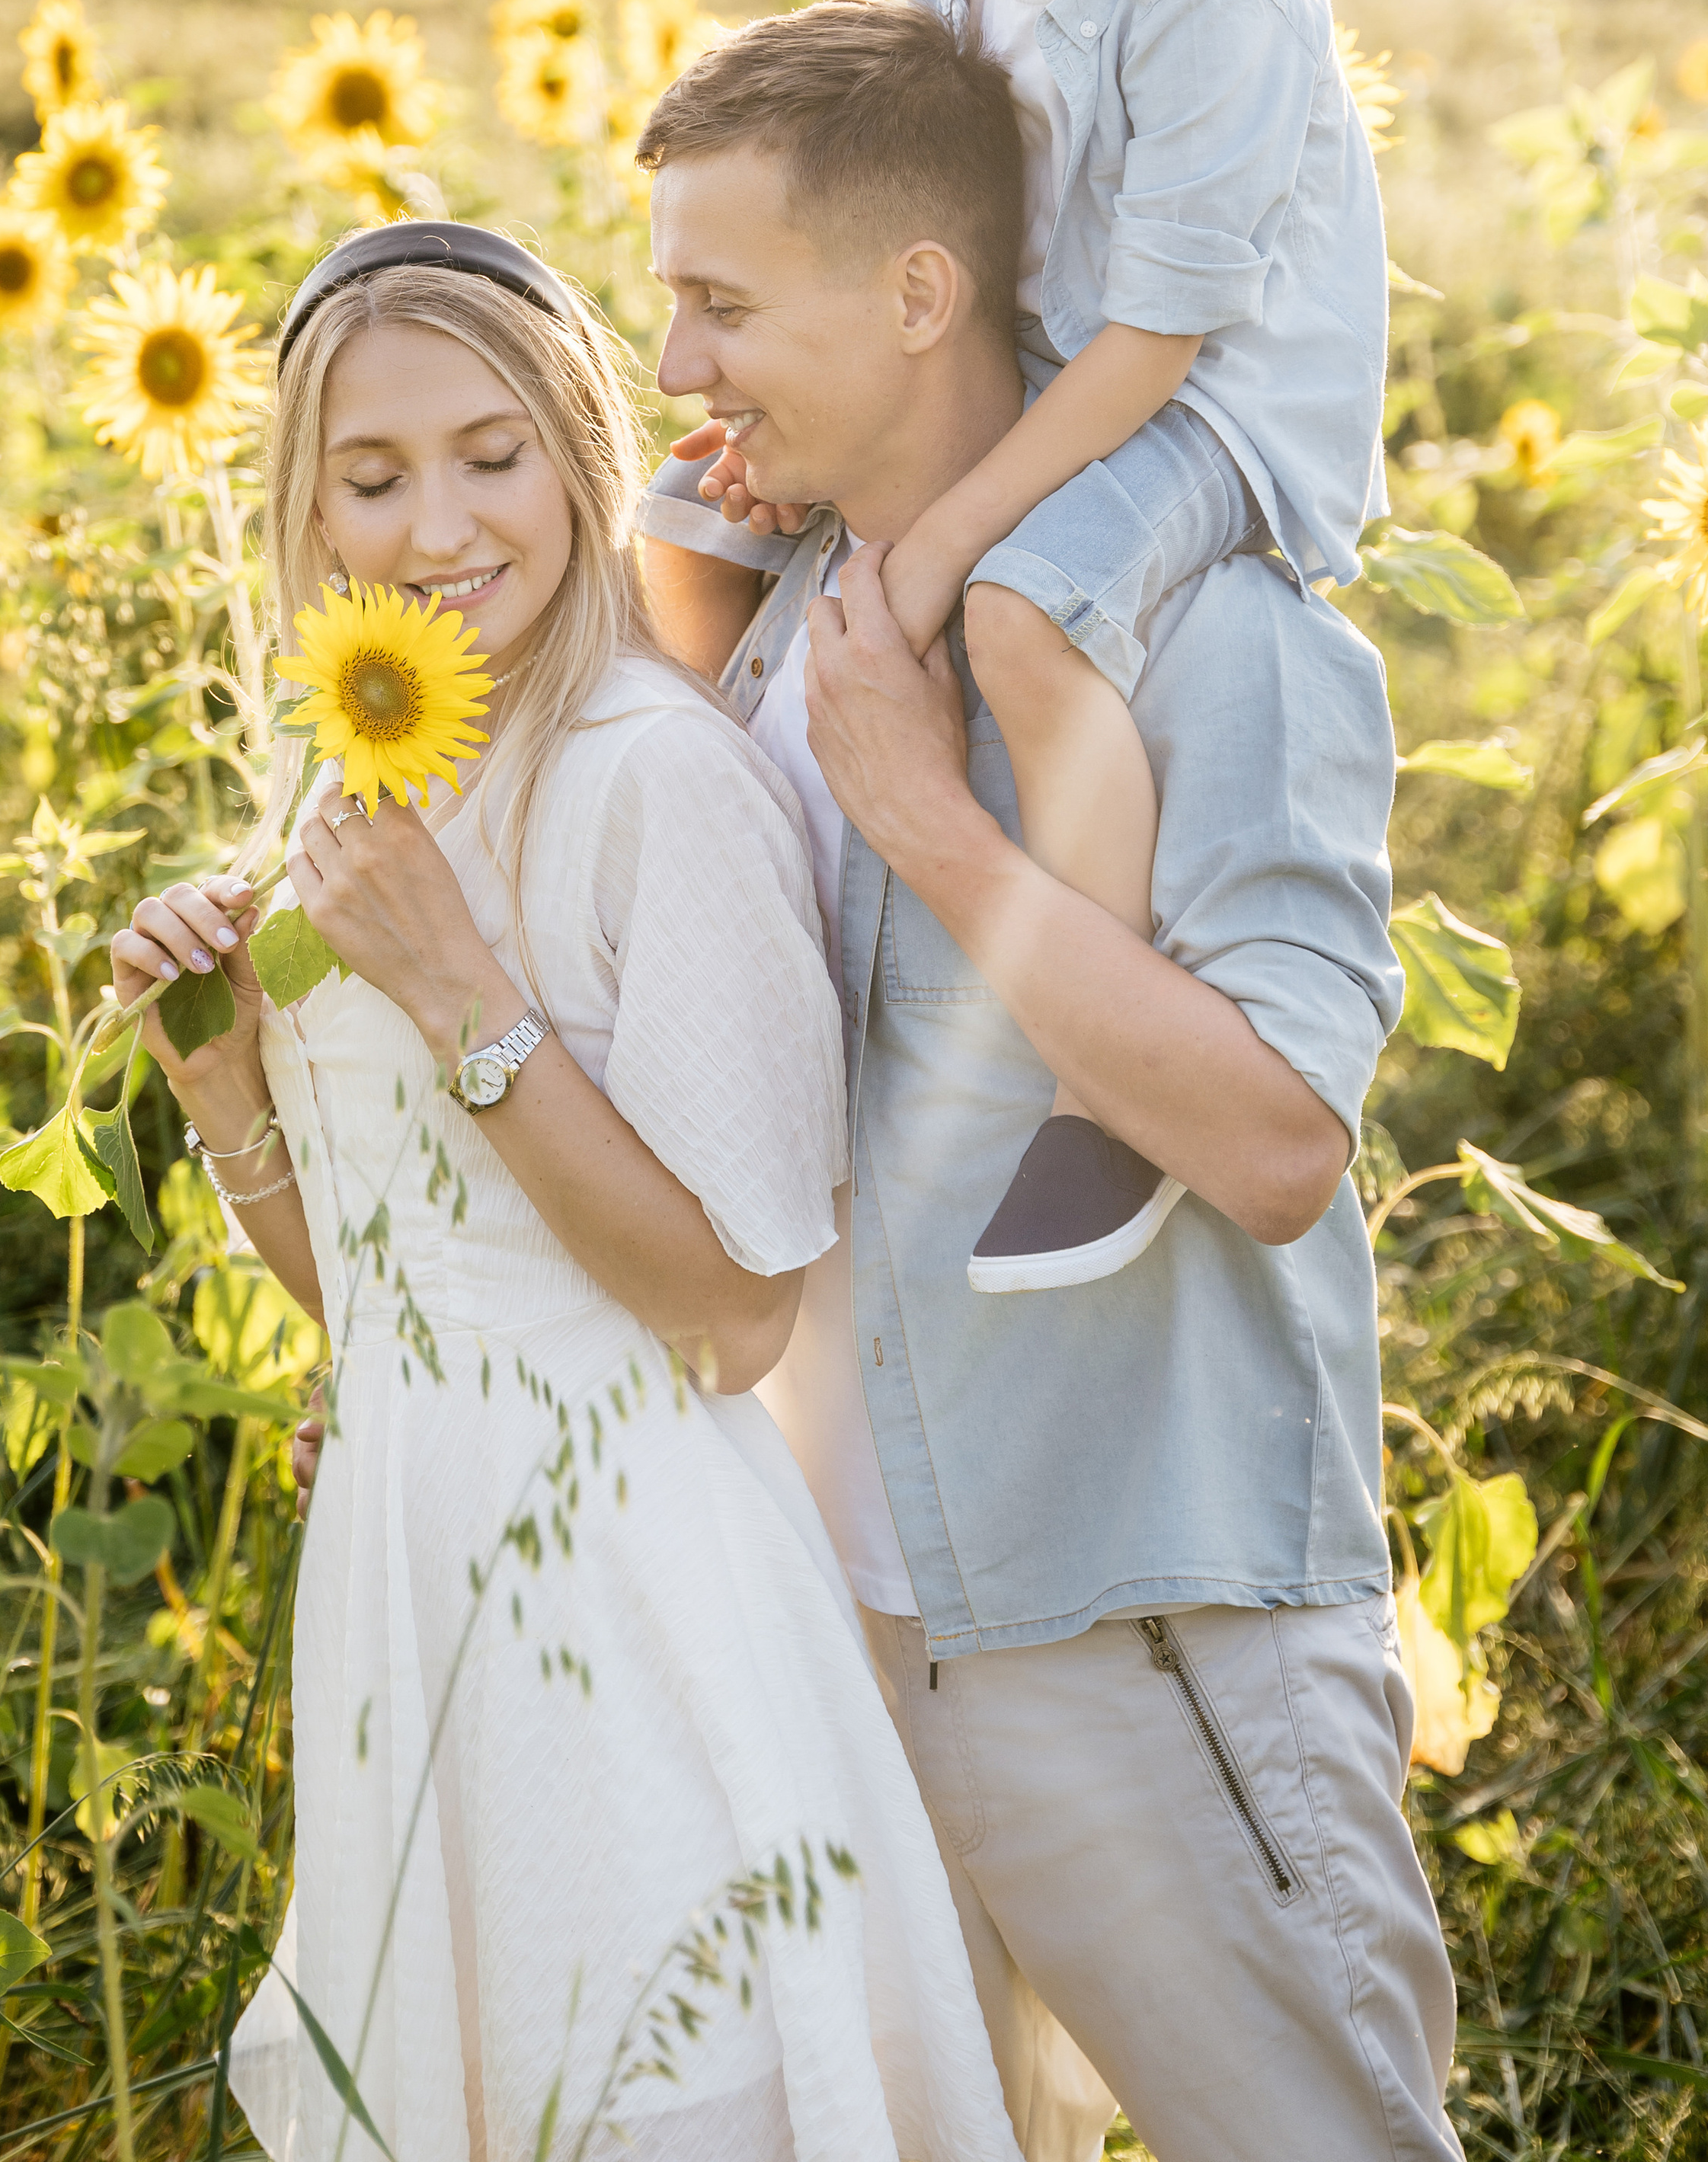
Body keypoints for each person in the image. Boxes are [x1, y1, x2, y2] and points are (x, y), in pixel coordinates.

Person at [635, 2, 1463, 2162]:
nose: (679, 365)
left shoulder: (1210, 633)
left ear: (921, 293)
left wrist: (937, 827)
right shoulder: (777, 614)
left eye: (724, 307)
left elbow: (1275, 1142)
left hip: (1140, 1638)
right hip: (849, 1635)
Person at [107, 221, 1023, 2162]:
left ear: (581, 452)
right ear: (306, 508)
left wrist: (459, 991)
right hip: (407, 1576)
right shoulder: (358, 784)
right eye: (371, 477)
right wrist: (220, 1076)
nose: (438, 527)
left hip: (625, 1594)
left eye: (491, 455)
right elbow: (391, 1295)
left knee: (652, 2099)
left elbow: (729, 1319)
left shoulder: (650, 779)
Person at [672, 0, 1388, 1294]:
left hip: (1221, 405)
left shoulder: (1213, 2)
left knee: (1017, 613)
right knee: (722, 534)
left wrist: (943, 542)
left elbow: (1156, 345)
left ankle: (1099, 1088)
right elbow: (958, 205)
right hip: (1080, 361)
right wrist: (837, 418)